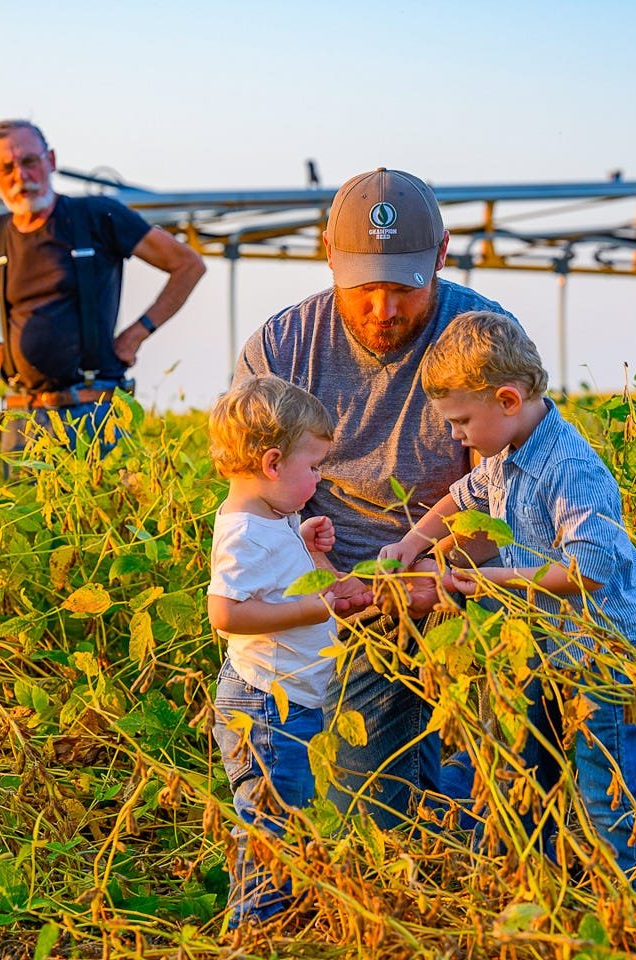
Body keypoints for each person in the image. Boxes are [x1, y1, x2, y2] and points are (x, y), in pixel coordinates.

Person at [234, 167, 515, 828]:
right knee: (355, 814)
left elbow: (502, 499)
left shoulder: (483, 337)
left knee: (496, 793)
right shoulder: (280, 349)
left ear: (441, 256)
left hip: (459, 588)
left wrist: (436, 580)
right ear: (329, 255)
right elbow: (253, 500)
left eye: (404, 287)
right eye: (365, 287)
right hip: (329, 597)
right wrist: (328, 580)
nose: (383, 310)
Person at [379, 310, 636, 897]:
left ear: (508, 400)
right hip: (553, 642)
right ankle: (533, 888)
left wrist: (493, 578)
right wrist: (413, 541)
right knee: (524, 765)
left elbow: (589, 571)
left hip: (610, 649)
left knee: (612, 782)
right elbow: (461, 497)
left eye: (461, 422)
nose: (456, 436)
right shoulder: (504, 453)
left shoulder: (569, 467)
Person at [0, 119, 204, 454]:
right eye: (7, 169)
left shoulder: (96, 216)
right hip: (23, 417)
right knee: (23, 492)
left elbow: (187, 264)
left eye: (30, 161)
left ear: (51, 160)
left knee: (105, 490)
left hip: (95, 411)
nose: (21, 176)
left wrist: (136, 334)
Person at [205, 375, 365, 925]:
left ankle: (282, 913)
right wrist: (309, 611)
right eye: (314, 466)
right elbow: (226, 614)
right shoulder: (244, 532)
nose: (319, 478)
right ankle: (254, 926)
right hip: (266, 707)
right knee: (271, 820)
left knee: (293, 811)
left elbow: (284, 579)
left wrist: (308, 547)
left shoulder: (274, 518)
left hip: (288, 698)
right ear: (273, 464)